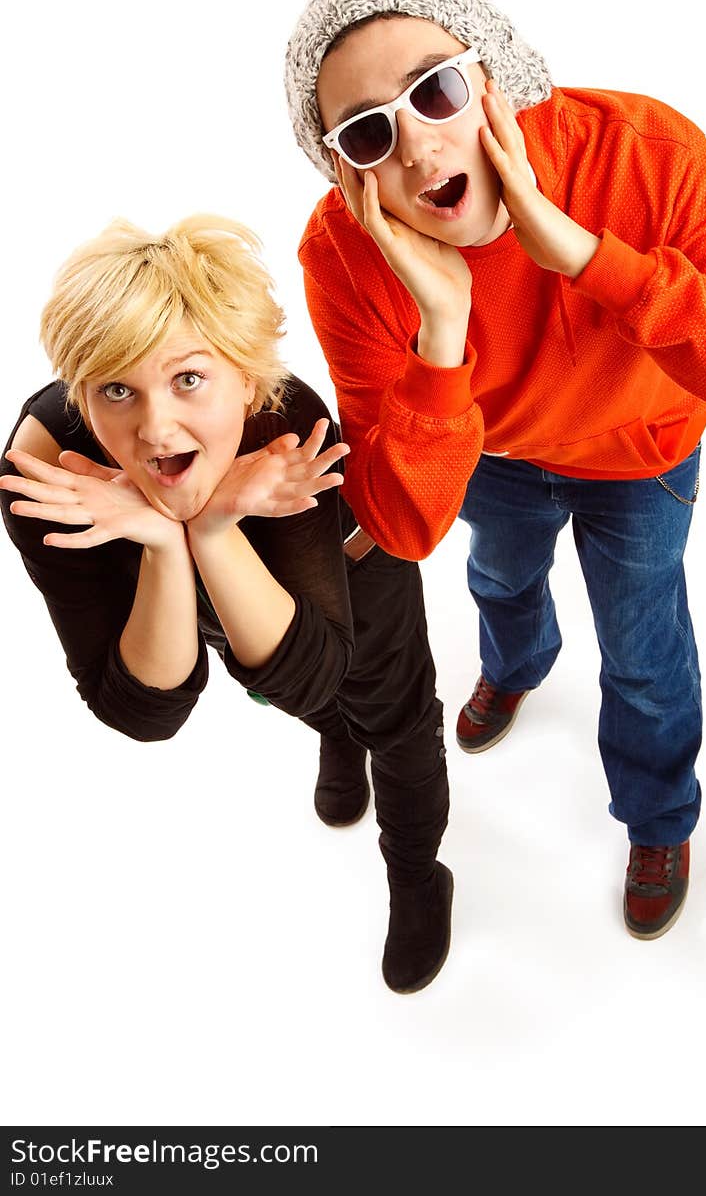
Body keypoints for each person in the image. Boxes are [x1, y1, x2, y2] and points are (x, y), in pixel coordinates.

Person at [283, 0, 706, 942]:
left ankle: (658, 821)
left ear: (494, 74)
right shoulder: (341, 252)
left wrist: (590, 261)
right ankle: (516, 664)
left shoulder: (642, 153)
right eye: (371, 133)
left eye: (437, 89)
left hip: (641, 460)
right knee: (498, 584)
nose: (418, 152)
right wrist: (442, 329)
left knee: (642, 652)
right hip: (493, 460)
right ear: (346, 169)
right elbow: (405, 522)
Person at [0, 214, 452, 992]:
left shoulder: (287, 420)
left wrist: (209, 527)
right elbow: (146, 710)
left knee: (393, 718)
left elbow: (315, 666)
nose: (155, 430)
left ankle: (416, 874)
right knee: (310, 700)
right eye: (116, 390)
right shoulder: (46, 475)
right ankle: (337, 742)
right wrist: (171, 541)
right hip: (204, 595)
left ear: (246, 376)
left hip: (352, 564)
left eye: (188, 379)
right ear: (79, 390)